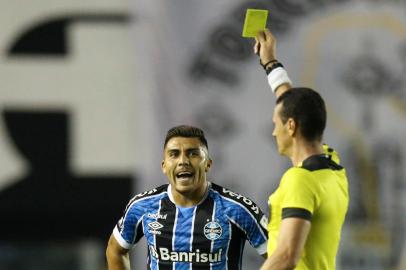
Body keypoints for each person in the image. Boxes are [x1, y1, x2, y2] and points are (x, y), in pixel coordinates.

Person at [106, 125, 268, 270]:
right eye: (174, 154)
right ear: (164, 166)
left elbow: (282, 256)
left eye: (193, 154)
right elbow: (115, 250)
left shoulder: (237, 209)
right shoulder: (142, 206)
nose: (183, 161)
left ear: (208, 164)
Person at [254, 29, 349, 270]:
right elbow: (292, 103)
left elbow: (287, 256)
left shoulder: (300, 181)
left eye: (276, 124)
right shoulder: (332, 165)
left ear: (291, 126)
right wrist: (270, 63)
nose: (274, 132)